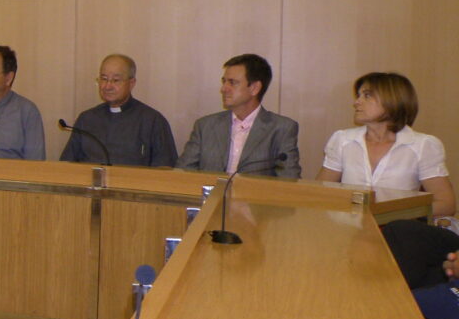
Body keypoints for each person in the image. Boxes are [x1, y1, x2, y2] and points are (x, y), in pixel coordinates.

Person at [316, 72, 455, 217]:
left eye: (367, 95)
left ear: (393, 100)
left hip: (397, 230)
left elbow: (446, 204)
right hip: (347, 228)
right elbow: (319, 193)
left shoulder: (422, 145)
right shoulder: (342, 140)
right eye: (358, 95)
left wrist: (391, 214)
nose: (356, 102)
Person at [176, 53, 300, 177]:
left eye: (232, 82)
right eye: (224, 81)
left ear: (255, 88)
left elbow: (290, 183)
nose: (223, 88)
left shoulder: (281, 128)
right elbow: (182, 175)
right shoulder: (205, 126)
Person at [60, 54, 177, 166]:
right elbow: (66, 165)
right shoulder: (86, 118)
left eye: (115, 80)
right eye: (104, 79)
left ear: (131, 83)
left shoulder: (153, 121)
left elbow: (165, 168)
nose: (107, 86)